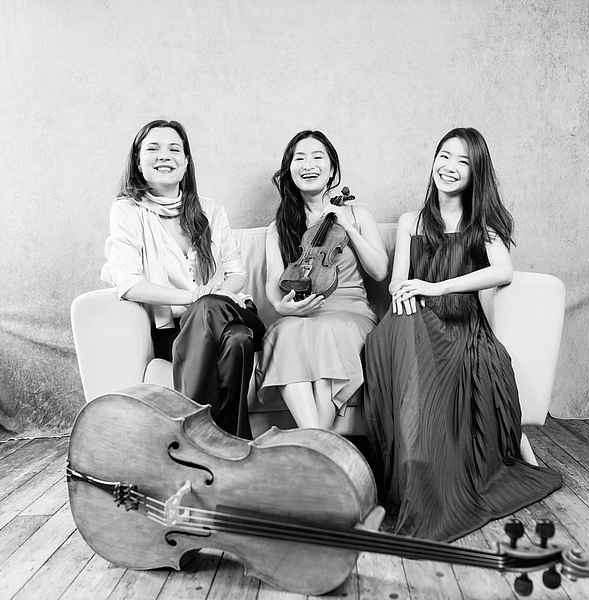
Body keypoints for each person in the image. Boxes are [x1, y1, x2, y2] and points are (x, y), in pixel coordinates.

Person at [363, 127, 562, 541]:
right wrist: (405, 290)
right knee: (398, 325)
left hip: (460, 328)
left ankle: (427, 474)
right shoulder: (411, 221)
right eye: (444, 156)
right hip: (413, 319)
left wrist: (436, 287)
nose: (449, 167)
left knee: (411, 327)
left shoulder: (481, 224)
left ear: (475, 173)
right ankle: (416, 468)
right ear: (433, 160)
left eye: (463, 161)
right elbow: (397, 279)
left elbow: (503, 271)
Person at [101, 119, 265, 439]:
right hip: (177, 332)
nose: (165, 155)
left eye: (174, 149)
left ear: (186, 162)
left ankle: (196, 436)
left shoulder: (210, 210)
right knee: (238, 341)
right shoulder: (128, 211)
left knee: (213, 310)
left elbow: (237, 275)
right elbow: (129, 283)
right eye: (153, 148)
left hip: (233, 312)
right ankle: (233, 444)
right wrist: (195, 298)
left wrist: (211, 298)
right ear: (138, 160)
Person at [255, 130, 389, 430]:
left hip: (350, 312)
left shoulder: (357, 214)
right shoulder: (280, 226)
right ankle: (318, 441)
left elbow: (380, 270)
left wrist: (348, 228)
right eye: (299, 158)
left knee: (325, 330)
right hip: (303, 311)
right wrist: (281, 306)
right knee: (285, 332)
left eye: (317, 157)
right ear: (290, 170)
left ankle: (312, 442)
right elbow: (274, 279)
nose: (308, 165)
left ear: (332, 169)